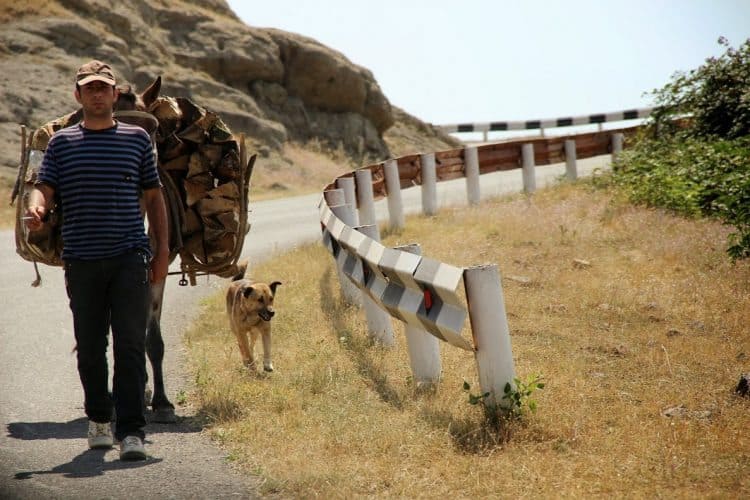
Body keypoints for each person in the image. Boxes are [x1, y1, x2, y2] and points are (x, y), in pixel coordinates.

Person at [25, 60, 169, 461]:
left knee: (129, 345)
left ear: (114, 93)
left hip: (129, 257)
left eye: (103, 87)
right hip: (82, 260)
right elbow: (44, 187)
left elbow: (154, 197)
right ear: (78, 96)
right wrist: (37, 209)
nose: (97, 93)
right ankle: (100, 420)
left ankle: (133, 431)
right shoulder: (61, 144)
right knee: (90, 348)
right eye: (89, 88)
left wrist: (161, 250)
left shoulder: (137, 140)